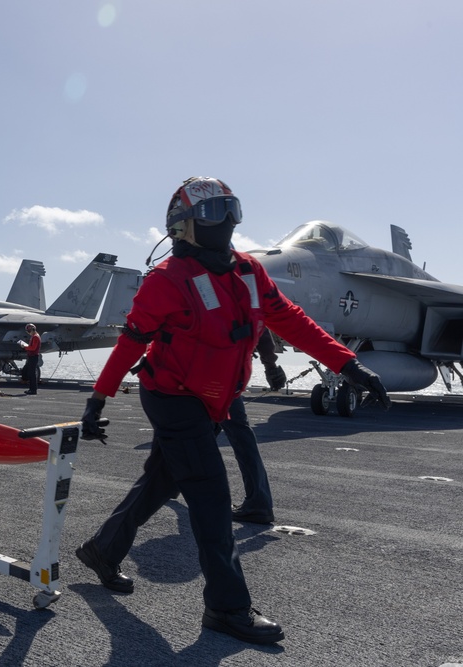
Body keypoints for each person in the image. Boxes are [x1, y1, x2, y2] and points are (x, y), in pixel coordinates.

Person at [75, 176, 390, 645]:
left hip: (215, 400)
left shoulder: (247, 271)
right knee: (211, 499)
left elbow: (291, 321)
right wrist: (97, 399)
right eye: (210, 214)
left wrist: (349, 364)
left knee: (162, 479)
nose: (224, 222)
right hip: (173, 398)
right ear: (182, 228)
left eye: (230, 209)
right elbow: (130, 344)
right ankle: (227, 608)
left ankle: (103, 550)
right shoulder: (166, 282)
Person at [221, 329, 286, 524]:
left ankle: (168, 483)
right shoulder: (246, 297)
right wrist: (270, 365)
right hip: (232, 372)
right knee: (240, 435)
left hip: (206, 372)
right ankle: (259, 502)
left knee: (183, 430)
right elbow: (260, 328)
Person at [18, 323, 41, 395]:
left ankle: (33, 390)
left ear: (32, 330)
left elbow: (33, 348)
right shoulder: (34, 336)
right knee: (31, 374)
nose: (28, 333)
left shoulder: (35, 337)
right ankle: (31, 389)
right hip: (32, 356)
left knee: (32, 374)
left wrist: (24, 347)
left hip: (33, 356)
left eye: (29, 331)